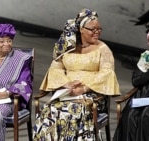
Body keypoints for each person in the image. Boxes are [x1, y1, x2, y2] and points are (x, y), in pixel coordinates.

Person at [32, 8, 120, 141]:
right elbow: (55, 68)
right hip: (67, 92)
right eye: (93, 29)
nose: (97, 32)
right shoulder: (68, 47)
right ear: (81, 29)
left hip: (92, 94)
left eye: (99, 29)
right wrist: (65, 84)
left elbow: (107, 73)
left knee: (74, 111)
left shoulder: (103, 49)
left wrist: (83, 88)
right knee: (49, 110)